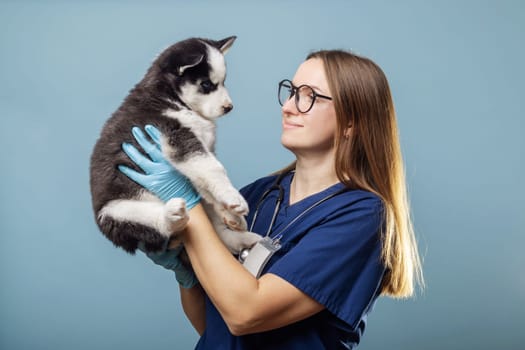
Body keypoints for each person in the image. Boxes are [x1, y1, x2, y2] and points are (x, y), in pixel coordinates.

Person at [119, 49, 424, 349]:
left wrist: (188, 203)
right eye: (291, 92)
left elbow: (245, 314)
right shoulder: (258, 196)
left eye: (309, 96)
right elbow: (214, 327)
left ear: (350, 123)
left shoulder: (362, 217)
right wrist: (186, 275)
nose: (289, 107)